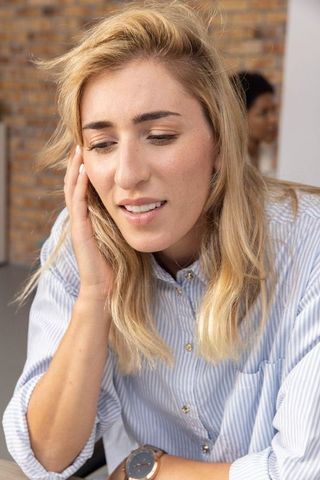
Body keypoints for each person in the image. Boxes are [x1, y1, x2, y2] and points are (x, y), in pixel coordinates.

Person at [3, 2, 320, 480]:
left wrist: (148, 470)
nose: (127, 176)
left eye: (160, 135)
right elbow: (45, 457)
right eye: (103, 144)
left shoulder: (307, 245)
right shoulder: (84, 241)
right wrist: (94, 298)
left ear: (218, 139)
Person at [231, 71, 278, 176]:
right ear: (240, 116)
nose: (273, 120)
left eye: (274, 110)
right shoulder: (228, 164)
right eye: (263, 113)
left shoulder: (269, 153)